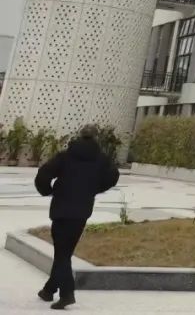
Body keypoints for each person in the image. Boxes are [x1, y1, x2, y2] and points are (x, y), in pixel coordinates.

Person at [34, 125, 120, 311]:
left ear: (79, 136)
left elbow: (44, 174)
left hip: (61, 209)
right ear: (96, 138)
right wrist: (95, 188)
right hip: (82, 211)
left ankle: (67, 294)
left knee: (62, 253)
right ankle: (49, 290)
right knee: (64, 252)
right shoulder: (101, 159)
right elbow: (113, 176)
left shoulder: (65, 156)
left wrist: (47, 190)